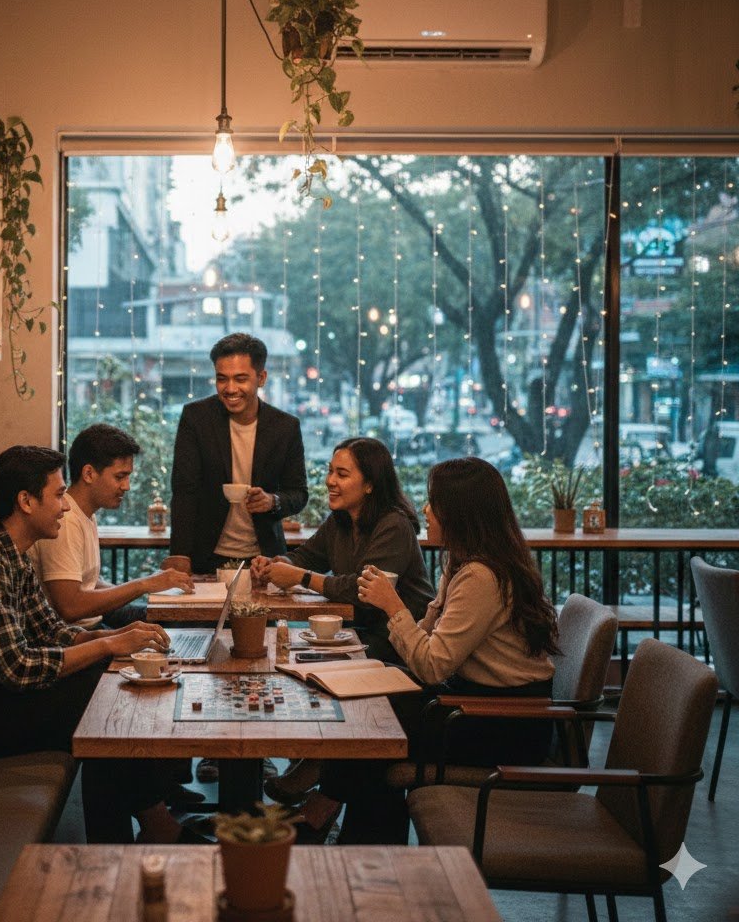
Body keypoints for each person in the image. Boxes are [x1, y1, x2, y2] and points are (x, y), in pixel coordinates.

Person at [0, 445, 192, 843]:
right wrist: (108, 646)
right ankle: (149, 824)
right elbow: (18, 669)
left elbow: (52, 631)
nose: (66, 507)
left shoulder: (11, 554)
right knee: (96, 706)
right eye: (57, 495)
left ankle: (133, 834)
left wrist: (118, 639)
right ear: (25, 501)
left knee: (104, 694)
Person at [316, 456, 559, 843]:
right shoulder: (462, 563)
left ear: (460, 513)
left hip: (506, 722)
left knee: (375, 725)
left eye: (434, 502)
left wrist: (392, 605)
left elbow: (431, 666)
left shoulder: (482, 576)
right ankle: (347, 832)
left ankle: (327, 815)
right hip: (471, 703)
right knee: (371, 709)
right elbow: (427, 636)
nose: (425, 510)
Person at [251, 436, 434, 806]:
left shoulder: (393, 525)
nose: (330, 481)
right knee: (300, 661)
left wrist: (300, 578)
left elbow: (362, 591)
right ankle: (319, 766)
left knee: (317, 664)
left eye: (342, 474)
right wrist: (275, 565)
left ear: (370, 483)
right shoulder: (340, 521)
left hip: (401, 643)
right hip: (364, 636)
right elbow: (307, 556)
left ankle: (321, 764)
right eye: (330, 472)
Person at [30, 423, 194, 628]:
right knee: (169, 627)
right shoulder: (65, 520)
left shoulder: (85, 513)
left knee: (173, 616)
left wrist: (150, 585)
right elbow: (70, 608)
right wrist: (143, 585)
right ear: (89, 474)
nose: (127, 486)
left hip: (94, 619)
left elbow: (88, 583)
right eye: (120, 477)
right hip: (76, 631)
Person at [170, 332, 308, 574]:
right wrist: (179, 554)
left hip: (264, 559)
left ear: (261, 377)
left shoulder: (285, 427)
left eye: (241, 379)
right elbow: (184, 491)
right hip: (206, 554)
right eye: (222, 379)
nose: (230, 388)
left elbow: (298, 493)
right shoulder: (196, 418)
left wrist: (272, 501)